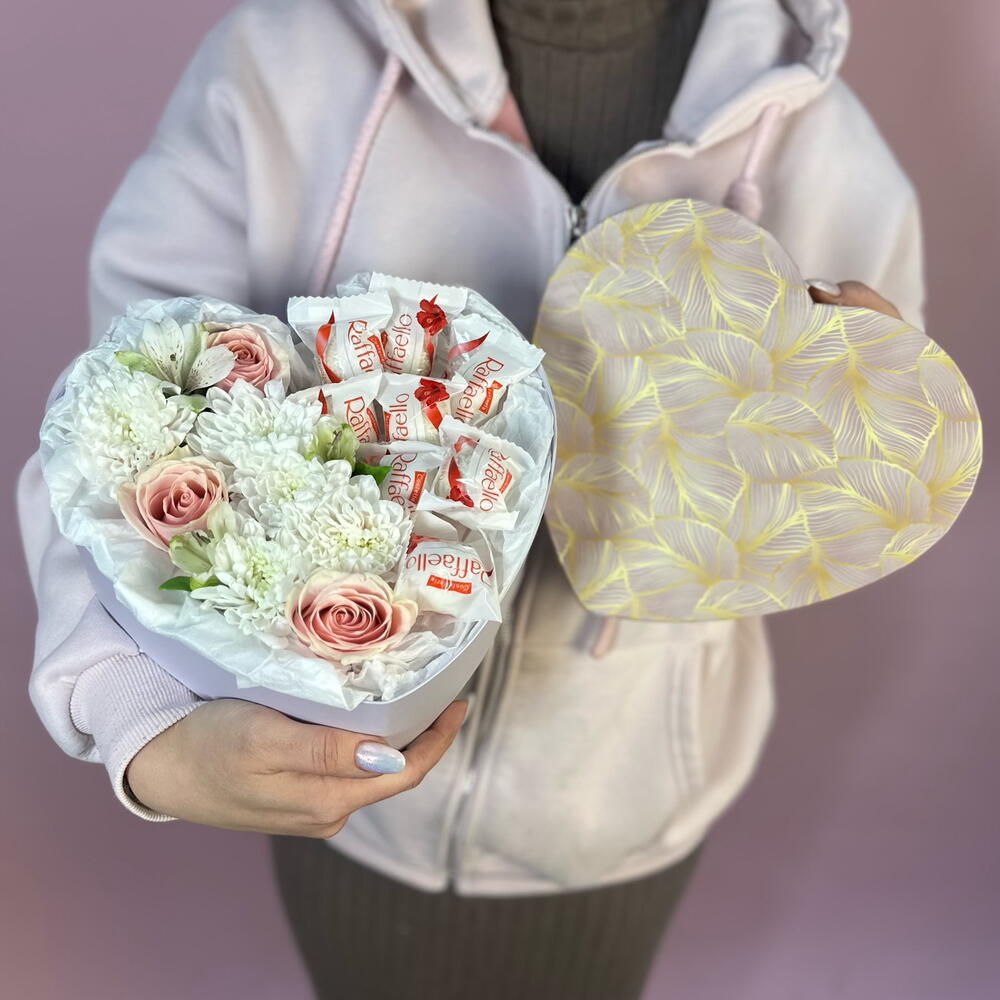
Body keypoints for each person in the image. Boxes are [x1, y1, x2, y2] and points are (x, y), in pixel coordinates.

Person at [18, 1, 918, 997]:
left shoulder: (824, 143)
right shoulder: (277, 62)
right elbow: (109, 424)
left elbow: (847, 491)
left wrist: (862, 422)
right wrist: (137, 716)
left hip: (622, 803)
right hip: (342, 798)